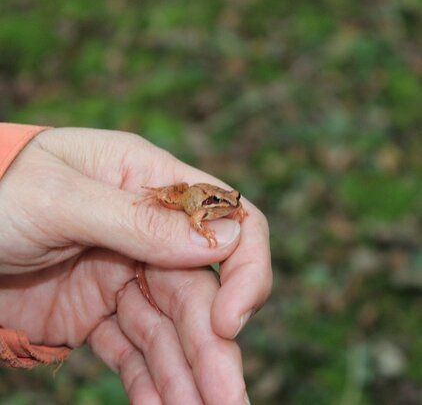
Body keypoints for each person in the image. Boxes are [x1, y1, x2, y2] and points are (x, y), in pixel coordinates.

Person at [0, 124, 272, 404]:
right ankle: (158, 195)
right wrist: (200, 233)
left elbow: (231, 203)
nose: (228, 204)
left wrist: (234, 205)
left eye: (234, 199)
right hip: (190, 197)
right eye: (222, 202)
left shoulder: (227, 203)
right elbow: (194, 220)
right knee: (166, 196)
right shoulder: (203, 207)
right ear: (211, 203)